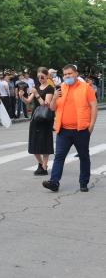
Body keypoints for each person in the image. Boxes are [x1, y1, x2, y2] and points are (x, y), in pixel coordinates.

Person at [43, 64, 98, 193]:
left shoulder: (86, 88)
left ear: (76, 74)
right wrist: (55, 97)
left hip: (81, 130)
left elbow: (94, 107)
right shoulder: (61, 88)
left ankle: (83, 182)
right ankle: (54, 182)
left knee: (84, 156)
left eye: (70, 73)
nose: (67, 76)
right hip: (63, 131)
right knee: (59, 157)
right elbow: (52, 108)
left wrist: (91, 126)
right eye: (65, 74)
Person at [19, 67, 54, 175]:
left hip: (45, 118)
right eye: (38, 77)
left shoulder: (50, 88)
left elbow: (46, 104)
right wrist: (22, 96)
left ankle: (44, 166)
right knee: (34, 142)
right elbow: (28, 101)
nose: (40, 79)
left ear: (47, 76)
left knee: (45, 141)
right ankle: (41, 164)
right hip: (35, 117)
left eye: (42, 77)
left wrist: (37, 94)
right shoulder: (36, 87)